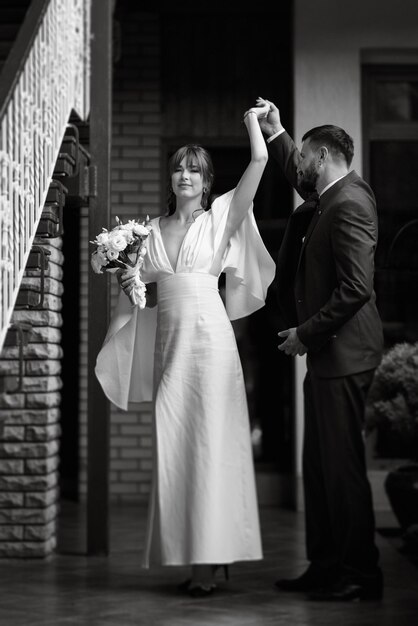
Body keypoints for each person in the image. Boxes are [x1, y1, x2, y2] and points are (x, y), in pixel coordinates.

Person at [95, 102, 276, 597]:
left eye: (193, 169)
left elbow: (258, 164)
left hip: (212, 347)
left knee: (215, 449)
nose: (184, 175)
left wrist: (251, 126)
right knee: (177, 450)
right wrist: (123, 269)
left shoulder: (221, 217)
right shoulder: (146, 232)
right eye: (177, 167)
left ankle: (210, 562)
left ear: (206, 179)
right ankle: (192, 554)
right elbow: (140, 289)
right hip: (171, 351)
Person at [256, 97, 384, 602]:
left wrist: (305, 333)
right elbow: (299, 174)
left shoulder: (350, 203)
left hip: (344, 355)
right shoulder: (330, 194)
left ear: (326, 154)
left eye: (306, 157)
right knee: (321, 466)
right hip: (331, 357)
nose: (300, 167)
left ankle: (359, 573)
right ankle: (327, 564)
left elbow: (356, 289)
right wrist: (278, 131)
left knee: (343, 467)